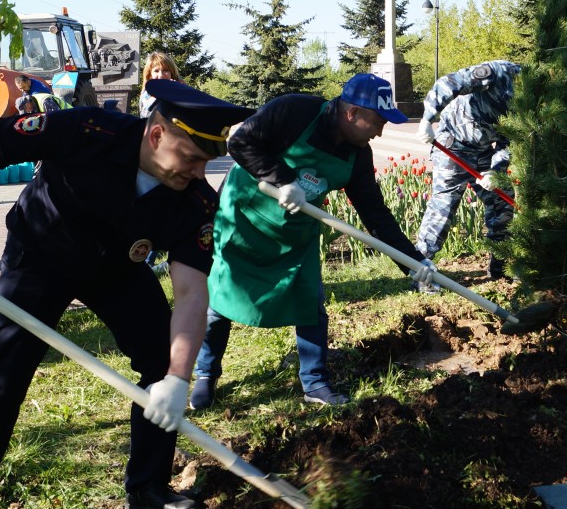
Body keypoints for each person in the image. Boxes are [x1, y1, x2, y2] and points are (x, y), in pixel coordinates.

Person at [0, 78, 255, 509]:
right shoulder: (86, 129)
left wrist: (176, 378)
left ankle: (148, 485)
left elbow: (192, 294)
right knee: (2, 379)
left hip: (117, 272)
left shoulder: (193, 201)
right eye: (193, 157)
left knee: (158, 356)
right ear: (156, 135)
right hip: (40, 256)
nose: (200, 173)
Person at [189, 73, 438, 410]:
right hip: (245, 219)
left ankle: (315, 382)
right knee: (220, 298)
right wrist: (283, 178)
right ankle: (206, 373)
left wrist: (412, 261)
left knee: (310, 303)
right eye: (376, 122)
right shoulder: (294, 111)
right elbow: (240, 143)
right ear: (351, 113)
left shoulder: (358, 155)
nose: (379, 132)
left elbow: (376, 215)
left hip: (295, 233)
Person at [414, 60, 521, 287]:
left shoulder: (531, 101)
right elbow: (448, 84)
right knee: (443, 208)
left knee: (502, 202)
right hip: (452, 145)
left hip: (483, 151)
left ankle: (500, 268)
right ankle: (419, 269)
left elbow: (509, 140)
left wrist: (496, 171)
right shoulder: (498, 72)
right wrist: (427, 118)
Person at [138, 52, 180, 118]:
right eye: (156, 71)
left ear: (172, 73)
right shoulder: (146, 95)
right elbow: (146, 114)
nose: (161, 75)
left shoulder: (181, 91)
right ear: (149, 75)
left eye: (165, 70)